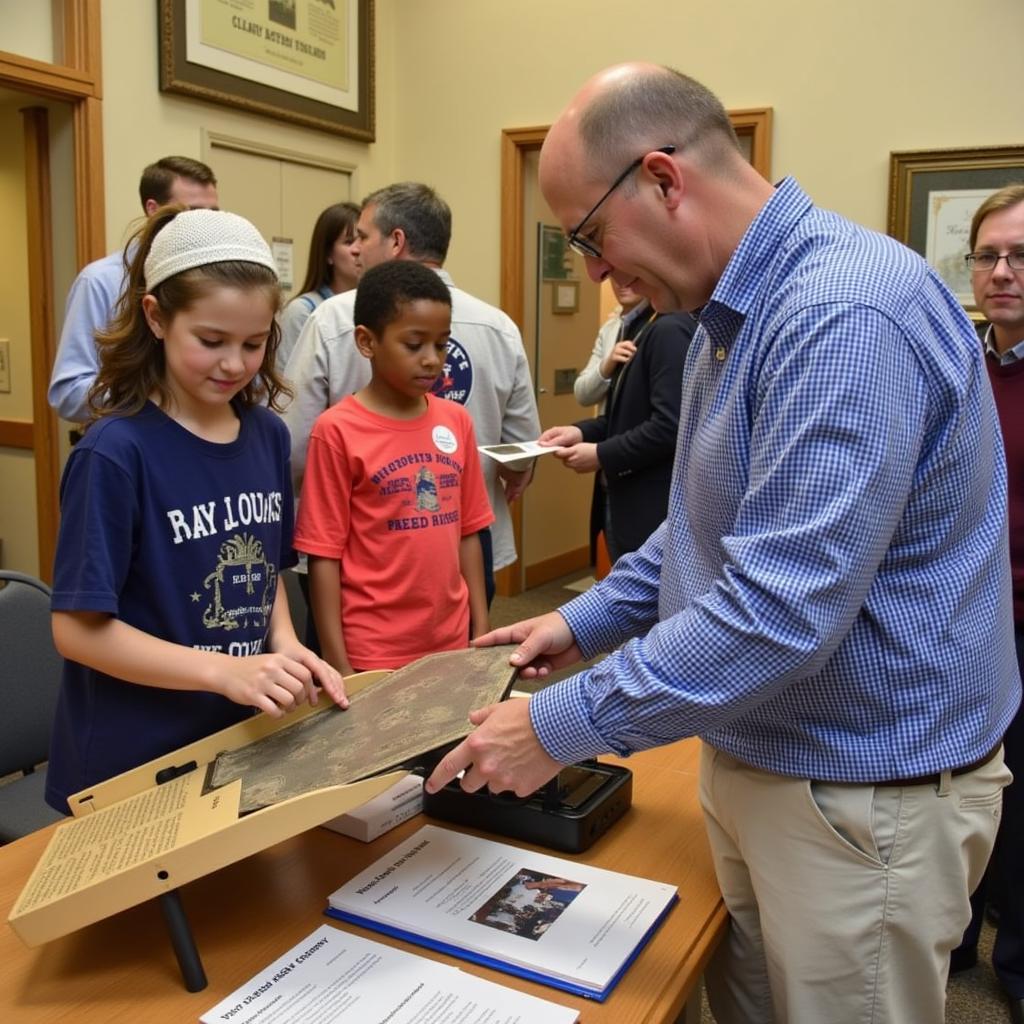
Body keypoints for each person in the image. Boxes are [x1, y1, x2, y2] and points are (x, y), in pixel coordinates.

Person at [426, 63, 1020, 1024]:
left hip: (857, 789)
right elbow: (707, 526)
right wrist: (578, 625)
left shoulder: (841, 313)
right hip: (766, 755)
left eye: (588, 237)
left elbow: (781, 608)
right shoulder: (723, 316)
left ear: (662, 179)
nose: (594, 272)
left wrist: (552, 726)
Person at [45, 207, 346, 813]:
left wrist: (282, 643)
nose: (234, 363)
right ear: (156, 317)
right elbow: (76, 631)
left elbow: (267, 574)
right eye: (211, 341)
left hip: (236, 735)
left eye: (253, 344)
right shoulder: (115, 452)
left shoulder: (264, 434)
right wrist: (220, 671)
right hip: (133, 758)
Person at [282, 182, 540, 605]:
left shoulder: (333, 320)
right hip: (466, 538)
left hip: (361, 552)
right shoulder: (498, 326)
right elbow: (521, 451)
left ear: (396, 241)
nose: (357, 250)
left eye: (363, 236)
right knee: (461, 663)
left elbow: (293, 450)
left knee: (362, 671)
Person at [293, 260, 493, 674]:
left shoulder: (456, 422)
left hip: (450, 640)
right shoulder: (336, 431)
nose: (432, 360)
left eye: (441, 345)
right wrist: (338, 662)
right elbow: (323, 556)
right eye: (414, 344)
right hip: (374, 650)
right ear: (367, 342)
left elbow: (470, 532)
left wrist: (481, 629)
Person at [950, 183, 1024, 1024]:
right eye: (988, 255)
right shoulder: (962, 359)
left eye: (1020, 255)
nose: (1001, 272)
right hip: (968, 618)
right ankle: (956, 933)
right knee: (968, 788)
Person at [48, 156, 219, 424]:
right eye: (195, 211)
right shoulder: (101, 281)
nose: (206, 224)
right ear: (153, 208)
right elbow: (68, 394)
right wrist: (157, 392)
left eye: (214, 213)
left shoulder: (217, 278)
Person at [541, 306, 695, 562]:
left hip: (650, 507)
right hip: (622, 499)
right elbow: (624, 416)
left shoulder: (670, 330)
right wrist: (580, 432)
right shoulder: (637, 326)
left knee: (640, 596)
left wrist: (601, 454)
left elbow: (668, 426)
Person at [277, 201, 361, 369]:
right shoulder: (302, 311)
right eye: (349, 241)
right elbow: (287, 383)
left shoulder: (376, 307)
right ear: (328, 254)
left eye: (363, 239)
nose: (358, 249)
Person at [573, 278, 645, 412]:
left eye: (630, 272)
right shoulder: (609, 328)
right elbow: (582, 394)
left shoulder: (661, 325)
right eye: (615, 274)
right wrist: (606, 367)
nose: (623, 280)